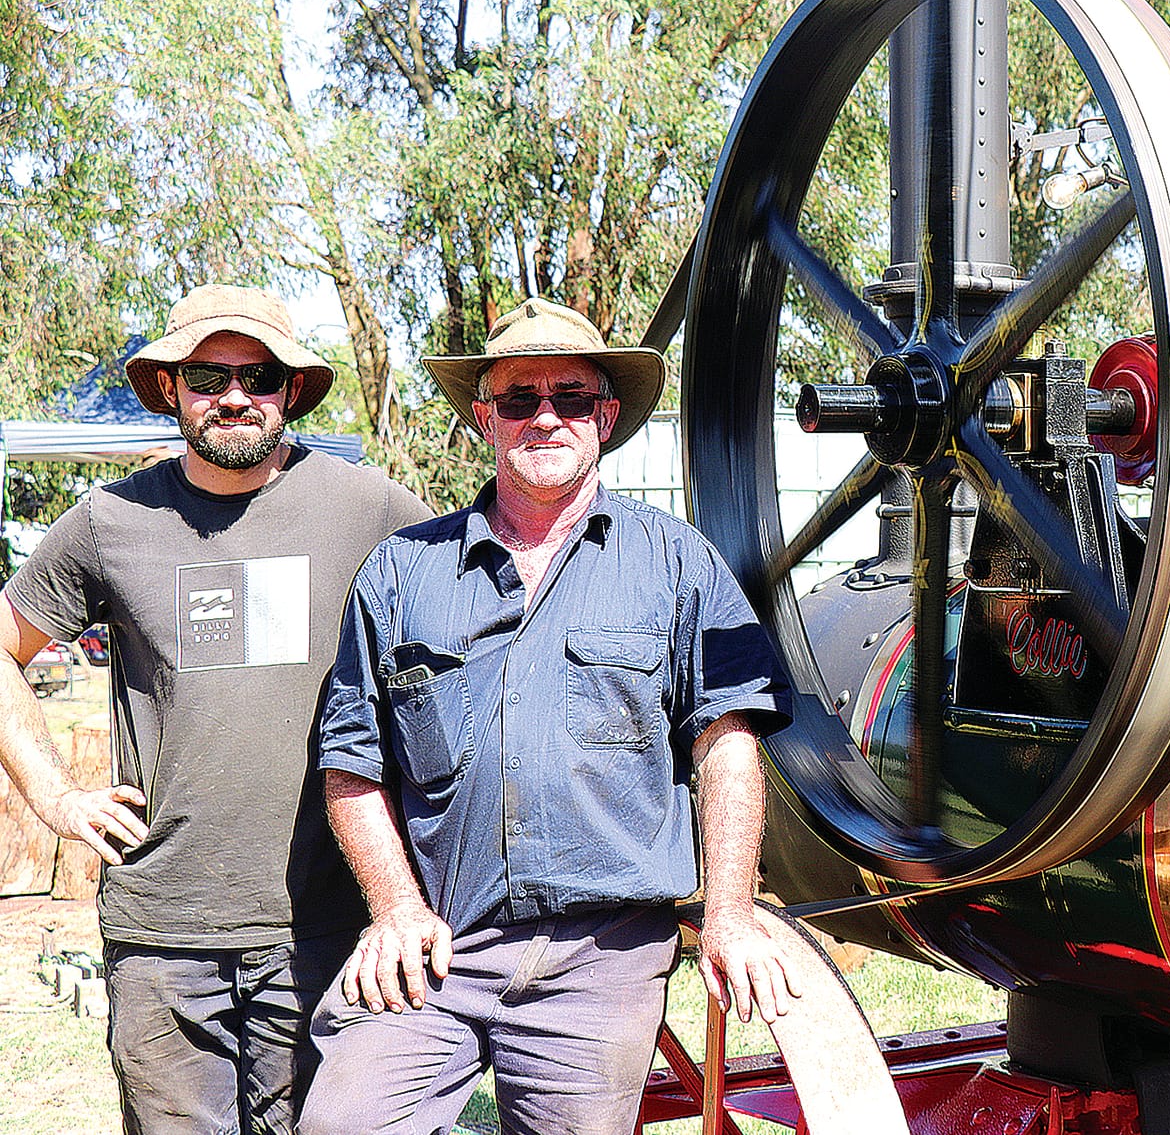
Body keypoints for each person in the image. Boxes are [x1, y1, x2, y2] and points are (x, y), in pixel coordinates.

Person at [303, 298, 796, 1135]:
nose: (546, 418)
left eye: (570, 398)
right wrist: (393, 909)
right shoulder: (401, 573)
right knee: (340, 1123)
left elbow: (728, 742)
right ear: (483, 418)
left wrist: (730, 911)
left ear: (604, 417)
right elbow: (352, 761)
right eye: (519, 399)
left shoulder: (680, 565)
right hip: (439, 947)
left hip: (600, 956)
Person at [0, 284, 431, 1134]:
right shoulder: (109, 520)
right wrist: (52, 794)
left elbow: (481, 624)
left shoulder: (369, 508)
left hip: (324, 924)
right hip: (163, 931)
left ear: (291, 390)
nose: (234, 395)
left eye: (259, 374)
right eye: (208, 373)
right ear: (172, 388)